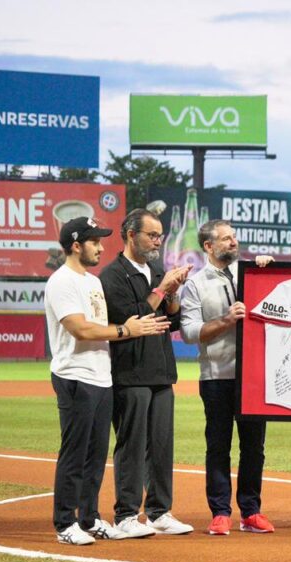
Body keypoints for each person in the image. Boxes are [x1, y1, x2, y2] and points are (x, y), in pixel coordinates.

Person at [44, 217, 169, 545]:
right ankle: (64, 523)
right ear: (76, 245)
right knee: (75, 453)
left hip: (101, 376)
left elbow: (99, 325)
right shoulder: (62, 281)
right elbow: (81, 329)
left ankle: (89, 518)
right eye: (94, 242)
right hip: (75, 375)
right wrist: (128, 329)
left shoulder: (92, 282)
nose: (101, 247)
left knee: (96, 455)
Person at [100, 209, 194, 538]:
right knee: (132, 445)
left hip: (161, 371)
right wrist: (161, 289)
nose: (157, 241)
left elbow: (173, 322)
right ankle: (126, 514)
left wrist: (173, 293)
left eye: (159, 236)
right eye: (151, 235)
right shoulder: (112, 275)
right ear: (131, 235)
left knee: (161, 446)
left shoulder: (156, 270)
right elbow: (131, 319)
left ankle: (159, 512)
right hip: (129, 373)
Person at [179, 220, 273, 536]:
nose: (233, 242)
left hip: (254, 377)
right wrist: (225, 320)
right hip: (216, 376)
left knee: (254, 447)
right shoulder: (195, 284)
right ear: (208, 246)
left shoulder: (253, 274)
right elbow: (189, 332)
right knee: (218, 446)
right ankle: (220, 512)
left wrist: (268, 270)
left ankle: (251, 511)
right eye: (225, 238)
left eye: (234, 237)